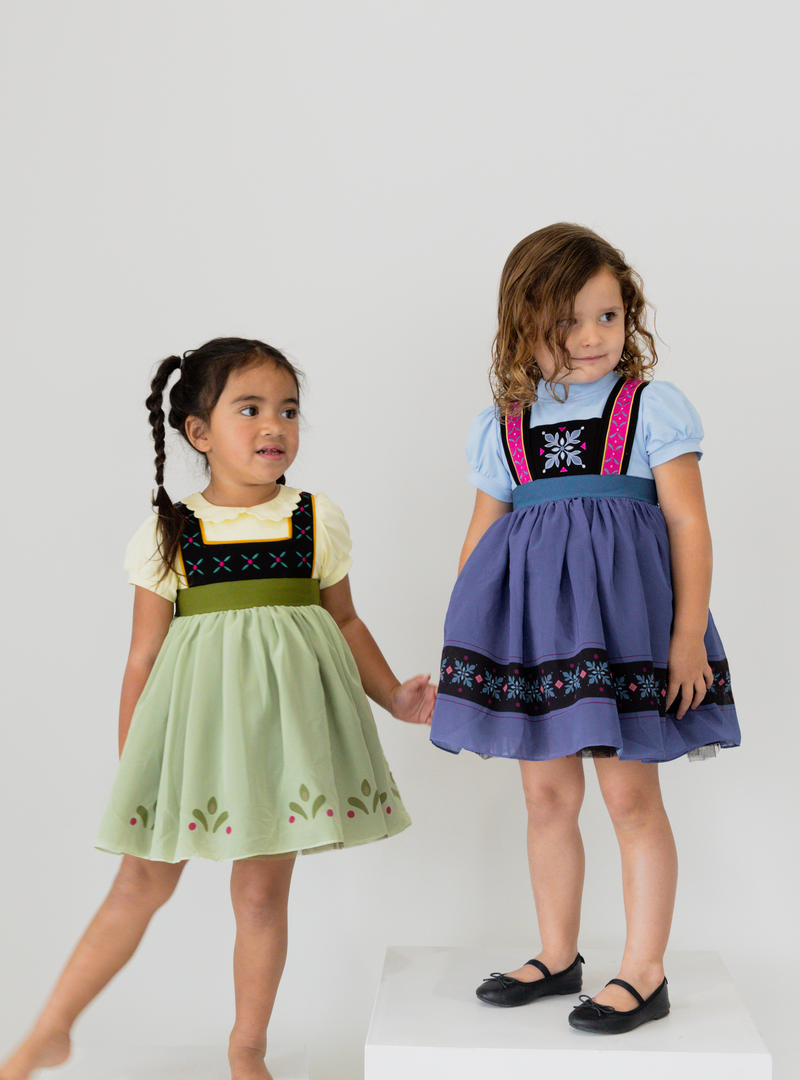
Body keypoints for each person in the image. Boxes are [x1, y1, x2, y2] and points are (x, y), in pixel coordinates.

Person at [0, 337, 434, 1080]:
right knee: (142, 881)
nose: (275, 425)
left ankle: (247, 1050)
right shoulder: (172, 532)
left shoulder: (314, 519)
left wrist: (392, 695)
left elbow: (346, 622)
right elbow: (142, 657)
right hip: (197, 741)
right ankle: (50, 1029)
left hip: (283, 741)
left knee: (263, 895)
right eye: (251, 408)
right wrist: (136, 761)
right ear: (199, 433)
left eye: (288, 410)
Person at [430, 224, 739, 1034]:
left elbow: (689, 527)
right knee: (545, 796)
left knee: (631, 795)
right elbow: (479, 541)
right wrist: (468, 652)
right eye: (567, 322)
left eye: (607, 316)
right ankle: (558, 953)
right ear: (521, 326)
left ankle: (644, 970)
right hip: (537, 641)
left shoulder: (648, 408)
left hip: (630, 635)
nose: (591, 337)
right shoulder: (504, 425)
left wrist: (686, 638)